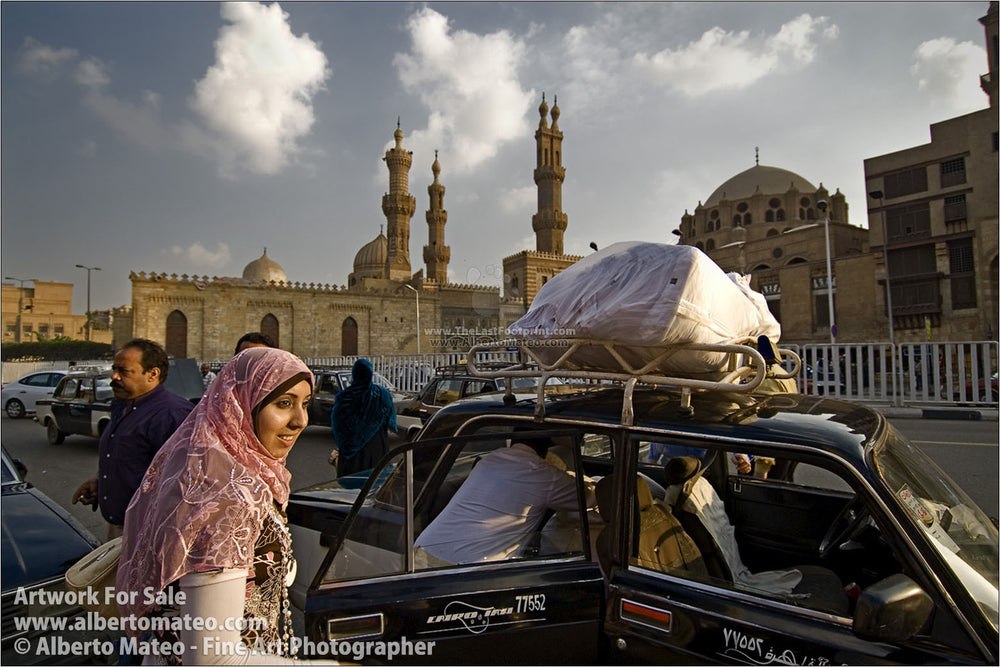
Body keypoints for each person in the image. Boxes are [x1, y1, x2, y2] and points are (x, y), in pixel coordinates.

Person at [115, 348, 335, 664]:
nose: (300, 420)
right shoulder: (228, 498)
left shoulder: (210, 472)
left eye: (305, 404)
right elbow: (213, 659)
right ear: (240, 404)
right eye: (283, 403)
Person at [414, 430, 597, 565]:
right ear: (546, 449)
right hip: (465, 566)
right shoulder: (542, 474)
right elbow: (589, 498)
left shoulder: (489, 460)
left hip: (422, 552)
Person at [72, 339, 193, 539]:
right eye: (114, 369)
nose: (114, 376)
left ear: (153, 374)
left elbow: (183, 481)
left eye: (124, 371)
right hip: (120, 532)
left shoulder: (172, 414)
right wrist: (102, 483)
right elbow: (130, 459)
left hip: (148, 536)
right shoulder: (123, 405)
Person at [330, 359, 397, 477]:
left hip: (351, 455)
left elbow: (338, 426)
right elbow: (389, 419)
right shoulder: (382, 394)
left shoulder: (344, 397)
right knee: (374, 484)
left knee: (350, 488)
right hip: (377, 449)